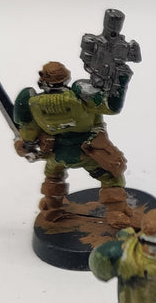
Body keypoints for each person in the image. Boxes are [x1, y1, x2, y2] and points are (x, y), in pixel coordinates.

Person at [13, 59, 135, 228]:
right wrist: (120, 80)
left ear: (42, 81)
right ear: (66, 79)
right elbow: (111, 107)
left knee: (53, 177)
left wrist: (25, 143)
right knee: (111, 178)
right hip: (86, 152)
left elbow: (29, 133)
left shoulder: (32, 103)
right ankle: (116, 212)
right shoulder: (82, 97)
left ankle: (52, 207)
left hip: (57, 154)